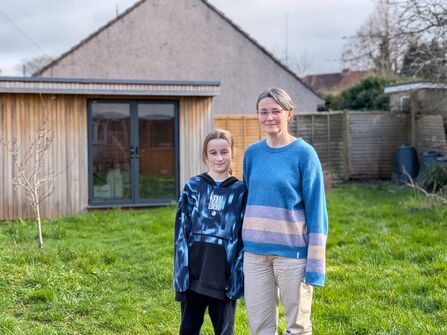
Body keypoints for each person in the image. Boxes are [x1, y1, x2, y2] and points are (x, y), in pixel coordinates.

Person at [242, 88, 328, 335]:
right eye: (263, 112)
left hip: (293, 255)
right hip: (255, 255)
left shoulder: (304, 154)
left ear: (289, 114)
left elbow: (317, 212)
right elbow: (248, 199)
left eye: (275, 111)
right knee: (259, 327)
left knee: (297, 327)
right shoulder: (252, 153)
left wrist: (315, 263)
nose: (269, 117)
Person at [173, 129, 247, 335]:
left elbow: (242, 238)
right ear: (206, 156)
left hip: (223, 278)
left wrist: (236, 279)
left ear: (232, 153)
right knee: (188, 329)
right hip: (194, 274)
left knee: (224, 331)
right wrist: (181, 276)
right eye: (213, 153)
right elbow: (180, 233)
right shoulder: (193, 186)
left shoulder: (240, 191)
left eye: (224, 151)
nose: (219, 157)